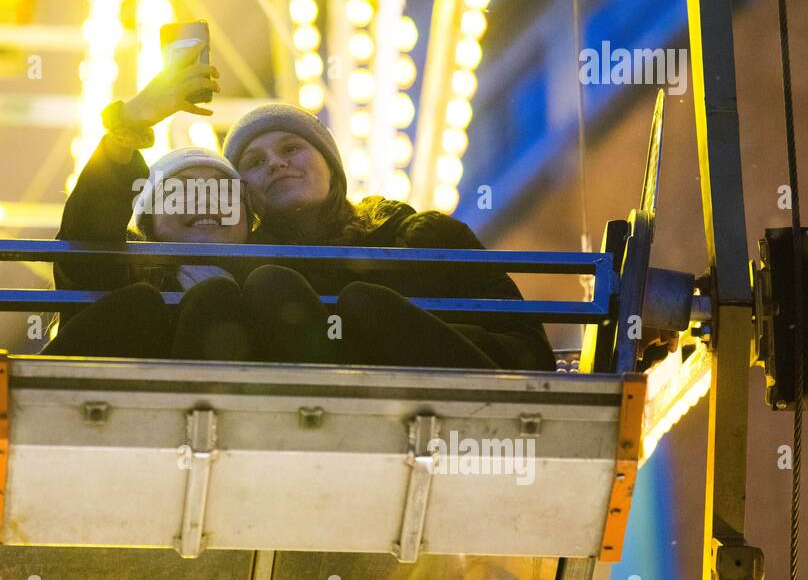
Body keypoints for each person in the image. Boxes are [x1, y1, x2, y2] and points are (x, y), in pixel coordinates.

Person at [218, 103, 557, 371]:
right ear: (243, 192)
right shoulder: (251, 279)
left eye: (290, 148)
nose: (276, 163)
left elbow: (528, 348)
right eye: (255, 161)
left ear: (330, 163)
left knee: (363, 302)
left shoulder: (429, 236)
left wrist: (399, 332)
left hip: (463, 412)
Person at [42, 44, 259, 361]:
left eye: (224, 190)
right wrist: (128, 124)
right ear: (148, 220)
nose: (204, 200)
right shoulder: (120, 280)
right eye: (181, 191)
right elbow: (90, 231)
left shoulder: (271, 290)